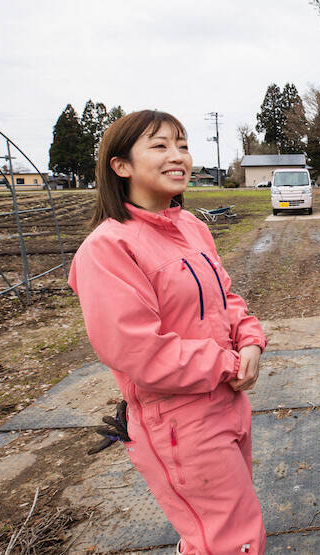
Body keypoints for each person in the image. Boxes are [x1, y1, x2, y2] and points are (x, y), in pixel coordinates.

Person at [68, 110, 266, 555]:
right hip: (178, 421)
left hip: (227, 401)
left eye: (182, 144)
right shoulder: (108, 247)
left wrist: (250, 338)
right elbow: (139, 350)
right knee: (230, 542)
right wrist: (230, 363)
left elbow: (225, 299)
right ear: (121, 166)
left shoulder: (191, 226)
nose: (178, 156)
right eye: (159, 146)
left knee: (223, 532)